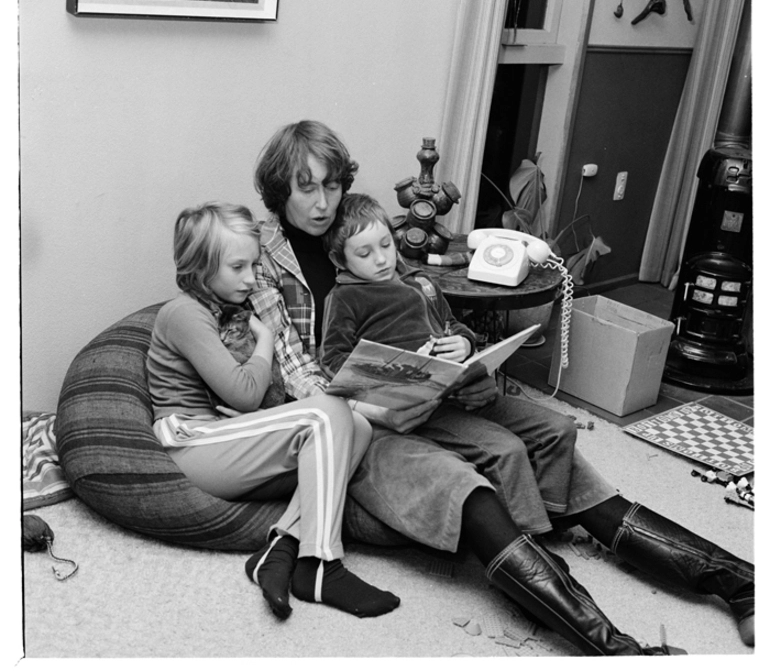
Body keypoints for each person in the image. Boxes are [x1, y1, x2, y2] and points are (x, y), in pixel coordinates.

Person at [250, 120, 754, 655]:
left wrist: (465, 356)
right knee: (467, 491)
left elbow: (431, 314)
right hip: (361, 427)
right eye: (307, 188)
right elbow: (298, 372)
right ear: (280, 190)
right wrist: (377, 410)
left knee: (558, 445)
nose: (324, 201)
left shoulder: (366, 229)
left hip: (441, 397)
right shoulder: (263, 258)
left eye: (332, 184)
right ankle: (617, 651)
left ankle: (740, 584)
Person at [146, 201, 400, 620]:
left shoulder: (226, 310)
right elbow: (245, 393)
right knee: (328, 409)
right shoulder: (183, 314)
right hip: (191, 443)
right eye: (237, 267)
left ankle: (282, 548)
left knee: (357, 426)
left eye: (254, 265)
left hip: (225, 439)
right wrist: (267, 338)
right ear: (200, 269)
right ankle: (321, 564)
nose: (251, 278)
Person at [319, 191, 578, 533]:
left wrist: (464, 341)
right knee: (506, 449)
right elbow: (332, 359)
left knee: (561, 429)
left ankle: (550, 516)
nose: (381, 259)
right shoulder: (345, 298)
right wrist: (390, 371)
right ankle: (527, 542)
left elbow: (453, 325)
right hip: (424, 406)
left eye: (385, 245)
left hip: (464, 384)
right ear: (341, 260)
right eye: (364, 253)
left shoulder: (422, 281)